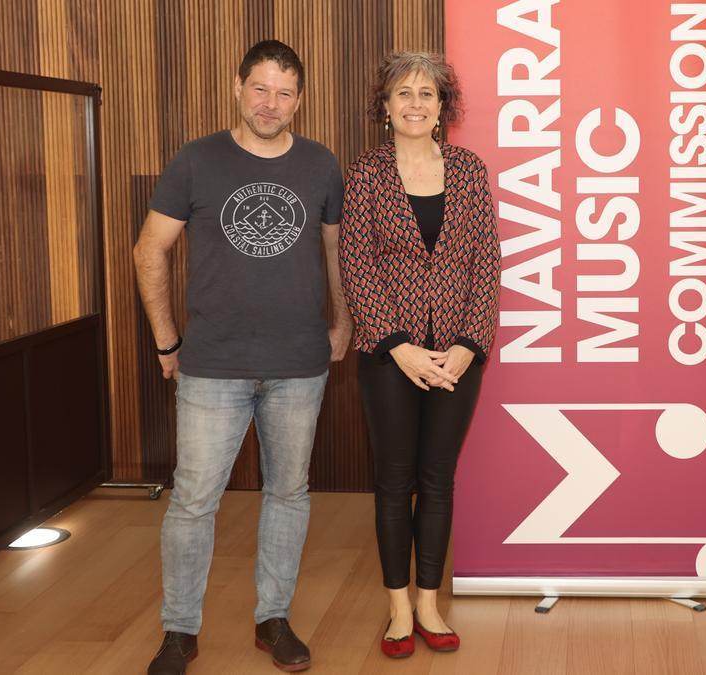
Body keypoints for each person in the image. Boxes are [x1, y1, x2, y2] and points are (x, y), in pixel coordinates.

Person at [133, 39, 352, 675]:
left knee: (289, 492)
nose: (270, 103)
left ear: (300, 100)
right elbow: (150, 251)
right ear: (237, 86)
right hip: (212, 363)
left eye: (284, 93)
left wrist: (342, 322)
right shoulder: (196, 161)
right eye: (260, 88)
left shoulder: (320, 164)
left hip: (299, 362)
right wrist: (166, 339)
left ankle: (274, 618)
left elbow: (337, 253)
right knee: (195, 500)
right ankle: (179, 632)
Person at [339, 50, 499, 659]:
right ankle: (398, 608)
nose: (414, 103)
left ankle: (430, 602)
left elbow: (487, 262)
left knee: (437, 480)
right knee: (393, 482)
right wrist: (398, 346)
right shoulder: (366, 173)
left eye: (426, 94)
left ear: (442, 107)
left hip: (457, 355)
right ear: (385, 107)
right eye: (403, 93)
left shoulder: (466, 168)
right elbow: (356, 264)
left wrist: (467, 345)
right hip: (388, 357)